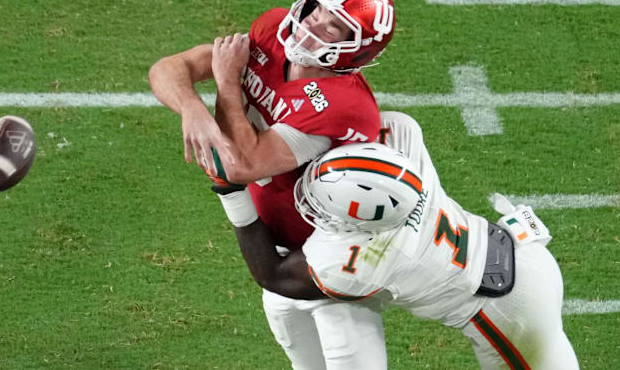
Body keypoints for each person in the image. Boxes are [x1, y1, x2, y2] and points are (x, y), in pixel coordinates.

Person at [149, 0, 398, 369]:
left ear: (356, 50)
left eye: (333, 25)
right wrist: (193, 110)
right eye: (316, 8)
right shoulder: (272, 31)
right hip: (275, 249)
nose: (313, 22)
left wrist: (227, 83)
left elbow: (242, 165)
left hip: (331, 265)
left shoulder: (342, 105)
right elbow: (167, 68)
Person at [214, 111, 581, 369]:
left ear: (364, 227)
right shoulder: (400, 135)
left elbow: (273, 275)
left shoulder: (365, 259)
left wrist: (231, 192)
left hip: (508, 312)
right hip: (519, 252)